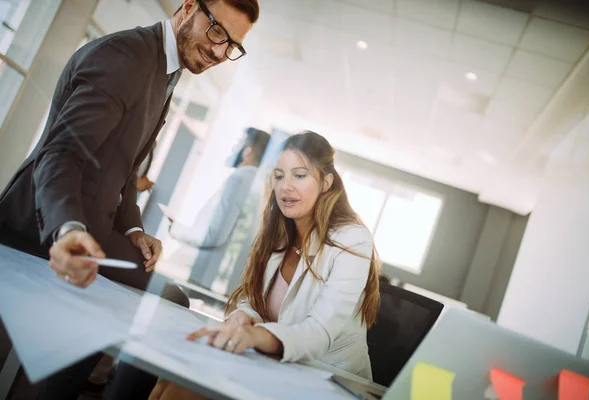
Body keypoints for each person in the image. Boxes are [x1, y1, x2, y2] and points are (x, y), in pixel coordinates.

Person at [0, 0, 259, 399]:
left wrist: (135, 228)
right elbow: (61, 153)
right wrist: (67, 227)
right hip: (42, 219)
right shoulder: (125, 56)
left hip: (98, 228)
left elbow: (123, 171)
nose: (220, 51)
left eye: (232, 46)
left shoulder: (166, 69)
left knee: (170, 299)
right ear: (188, 6)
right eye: (218, 32)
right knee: (162, 300)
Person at [150, 131, 381, 399]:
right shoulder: (278, 231)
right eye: (279, 175)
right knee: (175, 375)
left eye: (300, 175)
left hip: (326, 381)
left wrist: (256, 335)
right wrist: (244, 316)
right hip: (276, 366)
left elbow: (319, 333)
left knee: (184, 390)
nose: (285, 186)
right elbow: (252, 300)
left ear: (326, 182)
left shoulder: (352, 240)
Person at [169, 127, 270, 288]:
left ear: (248, 152)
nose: (233, 148)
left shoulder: (239, 179)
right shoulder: (258, 185)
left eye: (239, 144)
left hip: (201, 275)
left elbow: (213, 235)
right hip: (221, 278)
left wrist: (175, 228)